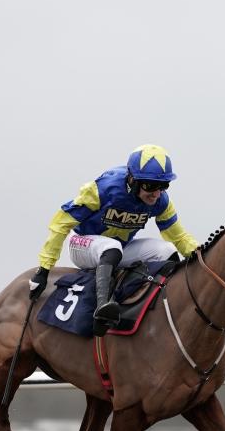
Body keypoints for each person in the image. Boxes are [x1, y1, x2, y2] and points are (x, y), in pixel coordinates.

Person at [28, 144, 200, 336]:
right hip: (82, 245)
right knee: (112, 246)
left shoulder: (161, 202)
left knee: (166, 250)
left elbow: (179, 237)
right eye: (150, 186)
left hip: (118, 250)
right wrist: (44, 269)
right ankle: (102, 310)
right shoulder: (103, 189)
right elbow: (60, 223)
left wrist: (202, 257)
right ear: (132, 180)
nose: (156, 193)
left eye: (163, 186)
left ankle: (162, 307)